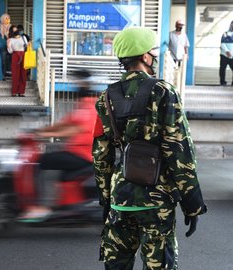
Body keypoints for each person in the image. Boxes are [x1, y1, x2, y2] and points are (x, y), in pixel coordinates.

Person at [93, 27, 207, 269]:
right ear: (145, 56)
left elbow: (101, 154)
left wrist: (106, 199)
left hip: (119, 199)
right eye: (152, 52)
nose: (154, 56)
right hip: (157, 202)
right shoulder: (163, 91)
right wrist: (192, 203)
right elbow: (179, 150)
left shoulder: (106, 97)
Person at [18, 70, 97, 221]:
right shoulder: (81, 108)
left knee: (37, 162)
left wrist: (42, 135)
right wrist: (36, 131)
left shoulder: (88, 109)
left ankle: (35, 206)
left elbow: (73, 129)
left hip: (83, 155)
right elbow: (61, 125)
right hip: (77, 153)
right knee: (56, 170)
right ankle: (63, 206)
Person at [7, 25, 28, 97]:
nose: (16, 31)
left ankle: (21, 92)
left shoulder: (23, 38)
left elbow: (27, 47)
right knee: (15, 74)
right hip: (15, 55)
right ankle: (14, 91)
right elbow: (10, 51)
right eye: (14, 30)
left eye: (17, 30)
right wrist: (8, 46)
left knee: (23, 74)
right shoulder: (10, 39)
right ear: (12, 32)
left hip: (23, 55)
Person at [219, 21, 233, 86]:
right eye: (232, 24)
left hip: (232, 56)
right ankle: (222, 82)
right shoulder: (225, 33)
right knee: (222, 69)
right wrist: (227, 51)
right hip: (224, 55)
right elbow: (222, 43)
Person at [0, 13, 11, 79]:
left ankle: (9, 73)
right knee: (3, 61)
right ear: (2, 19)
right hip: (2, 46)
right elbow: (1, 37)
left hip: (9, 46)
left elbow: (11, 35)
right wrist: (6, 33)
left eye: (8, 18)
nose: (8, 19)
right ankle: (4, 75)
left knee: (9, 60)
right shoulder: (0, 27)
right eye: (6, 18)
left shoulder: (11, 27)